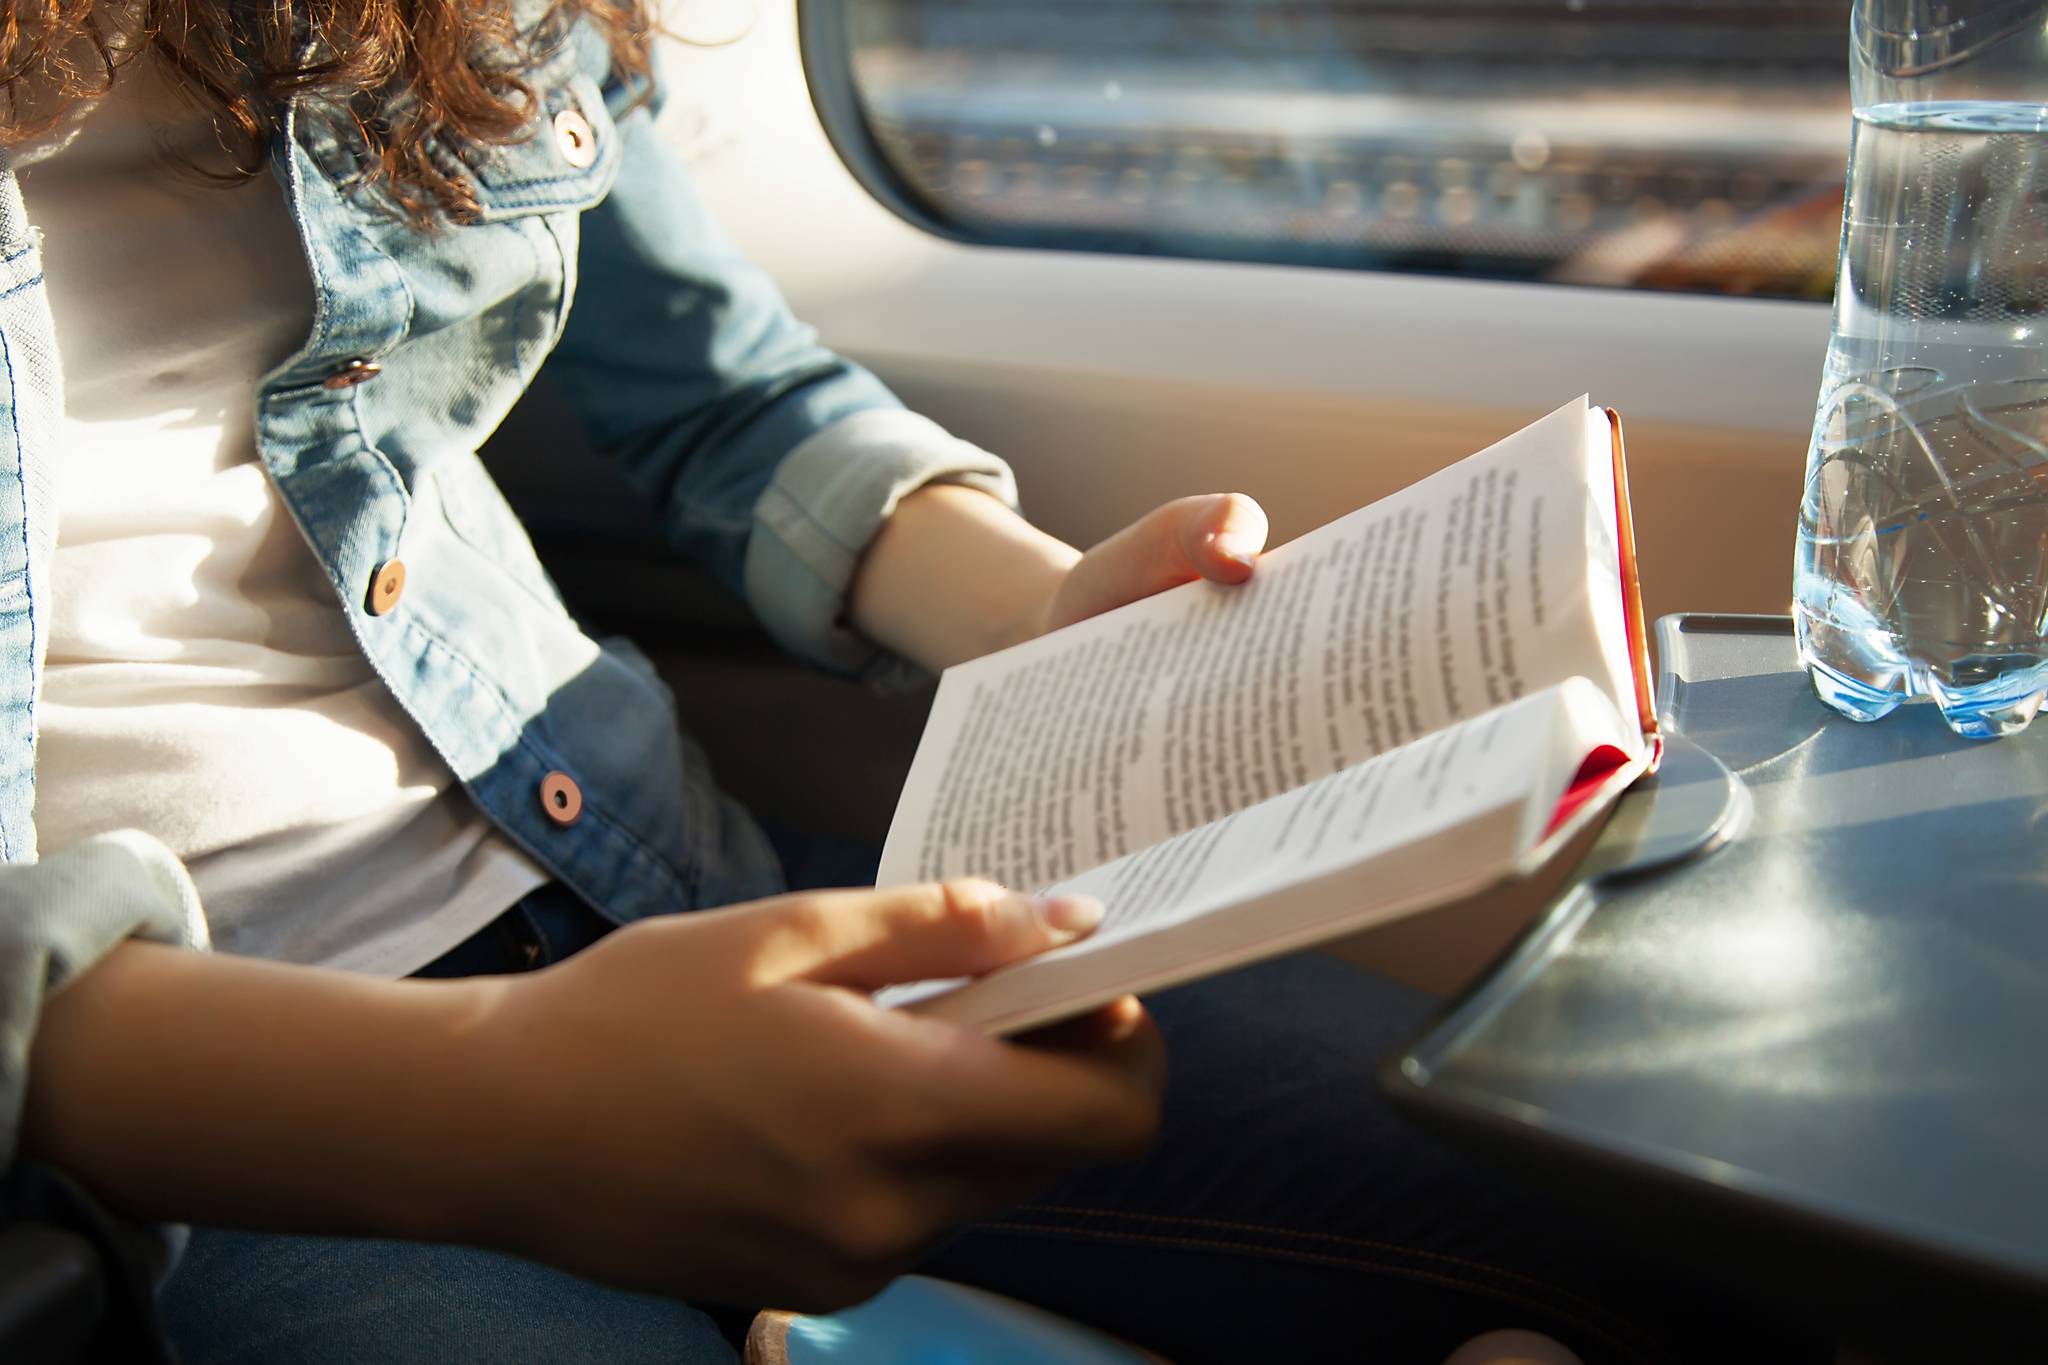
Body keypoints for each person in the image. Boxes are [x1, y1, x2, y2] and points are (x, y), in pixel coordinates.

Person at [0, 0, 1827, 1360]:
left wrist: (1059, 621)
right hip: (209, 1116)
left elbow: (725, 396)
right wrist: (505, 1091)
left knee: (1661, 1234)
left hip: (639, 878)